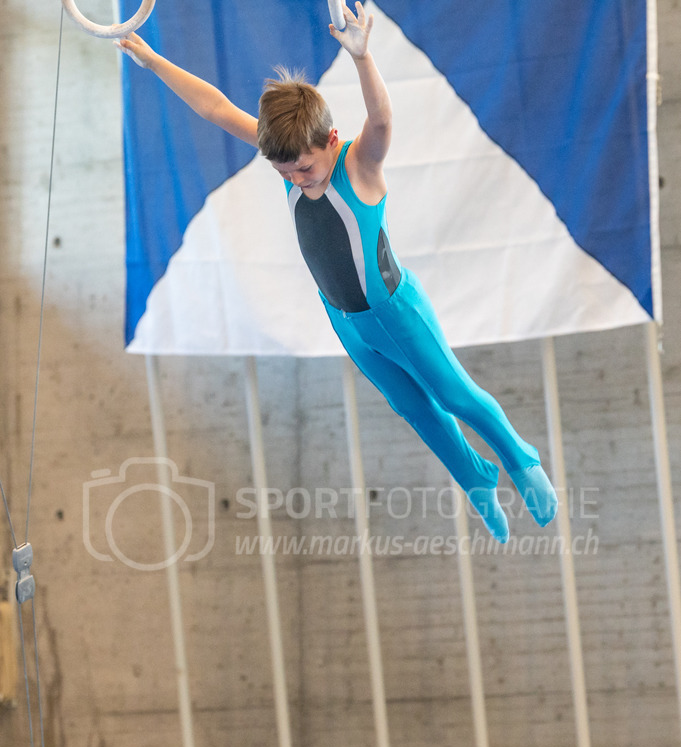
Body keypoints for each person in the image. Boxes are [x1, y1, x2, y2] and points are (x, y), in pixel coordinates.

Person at [117, 3, 558, 544]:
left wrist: (363, 58)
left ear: (327, 142)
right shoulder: (288, 157)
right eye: (283, 172)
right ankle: (476, 479)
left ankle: (520, 461)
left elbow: (382, 121)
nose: (296, 180)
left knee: (453, 395)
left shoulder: (357, 163)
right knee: (413, 409)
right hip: (346, 323)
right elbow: (215, 107)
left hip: (397, 313)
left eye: (302, 168)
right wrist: (153, 59)